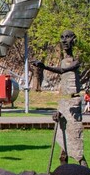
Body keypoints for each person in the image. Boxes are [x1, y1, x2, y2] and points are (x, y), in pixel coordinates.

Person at [37, 30, 86, 166]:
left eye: (68, 37)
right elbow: (62, 70)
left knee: (76, 147)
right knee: (63, 146)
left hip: (73, 103)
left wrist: (45, 66)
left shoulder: (76, 61)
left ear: (74, 40)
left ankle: (86, 174)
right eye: (62, 37)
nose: (64, 41)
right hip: (64, 102)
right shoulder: (64, 61)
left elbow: (63, 71)